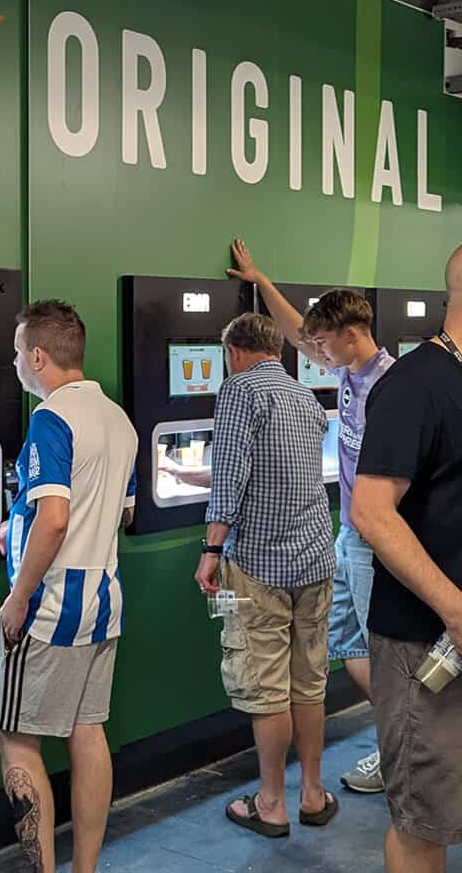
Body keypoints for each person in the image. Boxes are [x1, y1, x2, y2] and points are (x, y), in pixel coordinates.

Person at [228, 239, 395, 793]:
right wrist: (259, 278)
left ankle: (408, 748)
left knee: (382, 652)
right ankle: (399, 742)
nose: (314, 352)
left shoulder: (391, 388)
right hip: (347, 536)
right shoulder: (349, 374)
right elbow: (298, 328)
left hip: (374, 540)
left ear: (352, 335)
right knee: (349, 649)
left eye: (324, 344)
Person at [0, 300, 138, 873]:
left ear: (38, 356)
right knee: (88, 731)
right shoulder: (117, 418)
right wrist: (18, 523)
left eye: (17, 355)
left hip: (51, 605)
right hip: (104, 599)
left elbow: (54, 517)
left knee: (17, 737)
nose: (16, 365)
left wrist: (18, 596)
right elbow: (118, 511)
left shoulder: (51, 419)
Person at [193, 313, 339, 838]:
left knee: (266, 686)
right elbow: (279, 461)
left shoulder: (238, 390)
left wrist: (211, 549)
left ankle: (272, 803)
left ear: (232, 352)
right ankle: (315, 794)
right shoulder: (304, 397)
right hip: (316, 558)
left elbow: (231, 475)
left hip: (259, 564)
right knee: (309, 681)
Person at [351, 245, 462, 873]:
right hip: (427, 644)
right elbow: (371, 511)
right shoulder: (414, 384)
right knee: (423, 823)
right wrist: (452, 606)